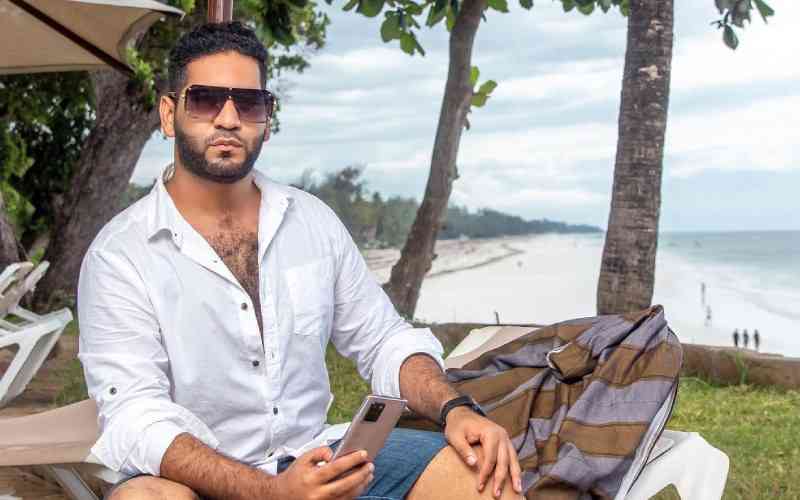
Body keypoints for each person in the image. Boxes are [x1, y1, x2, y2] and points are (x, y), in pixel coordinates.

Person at [78, 22, 522, 500]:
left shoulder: (311, 222)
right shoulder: (120, 254)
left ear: (266, 120)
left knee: (481, 475)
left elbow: (382, 340)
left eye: (249, 104)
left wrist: (455, 409)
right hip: (197, 477)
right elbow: (136, 417)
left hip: (315, 457)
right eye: (205, 100)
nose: (228, 119)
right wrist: (271, 491)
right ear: (169, 114)